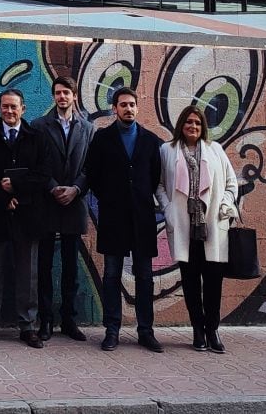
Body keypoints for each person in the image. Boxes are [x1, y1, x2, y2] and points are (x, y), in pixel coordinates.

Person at [84, 86, 163, 353]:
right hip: (113, 217)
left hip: (142, 218)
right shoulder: (102, 139)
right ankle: (112, 330)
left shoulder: (152, 141)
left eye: (131, 104)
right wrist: (109, 196)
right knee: (112, 275)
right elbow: (92, 173)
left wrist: (140, 195)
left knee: (144, 277)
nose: (128, 109)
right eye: (123, 105)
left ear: (137, 108)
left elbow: (155, 177)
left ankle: (146, 331)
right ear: (114, 109)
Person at [157, 105, 239, 353]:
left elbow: (231, 183)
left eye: (198, 123)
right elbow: (159, 185)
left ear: (203, 127)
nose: (193, 126)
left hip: (212, 226)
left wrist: (225, 204)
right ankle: (197, 330)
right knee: (190, 283)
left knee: (213, 282)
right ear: (181, 124)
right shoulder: (167, 150)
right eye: (188, 122)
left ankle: (212, 329)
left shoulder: (215, 150)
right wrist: (168, 209)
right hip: (183, 227)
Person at [0, 89, 48, 349]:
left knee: (28, 274)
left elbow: (43, 174)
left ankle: (27, 326)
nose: (9, 111)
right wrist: (2, 196)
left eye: (14, 107)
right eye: (5, 107)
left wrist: (15, 186)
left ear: (23, 109)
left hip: (27, 216)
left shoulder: (37, 138)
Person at [31, 75, 93, 342]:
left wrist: (76, 189)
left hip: (74, 203)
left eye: (66, 92)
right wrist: (53, 187)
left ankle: (69, 320)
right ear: (53, 96)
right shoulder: (39, 126)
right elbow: (35, 164)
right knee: (44, 265)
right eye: (58, 92)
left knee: (71, 267)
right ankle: (45, 320)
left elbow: (91, 167)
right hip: (48, 202)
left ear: (74, 96)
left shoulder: (89, 129)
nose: (62, 97)